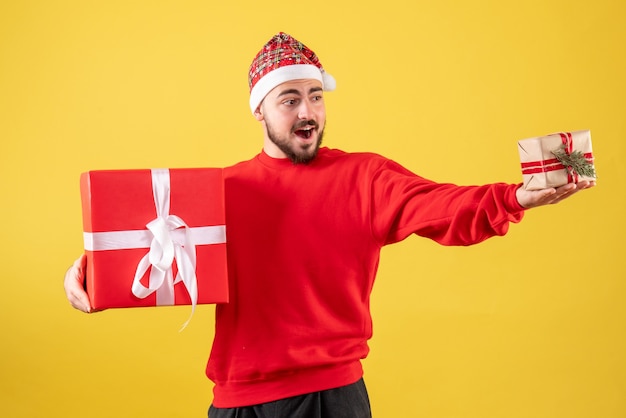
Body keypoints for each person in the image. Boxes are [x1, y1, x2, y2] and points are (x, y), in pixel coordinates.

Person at [64, 32, 594, 417]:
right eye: (289, 99)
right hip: (239, 399)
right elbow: (142, 244)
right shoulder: (219, 190)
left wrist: (515, 196)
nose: (307, 112)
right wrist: (86, 277)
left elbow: (442, 207)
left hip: (333, 398)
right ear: (260, 110)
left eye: (315, 96)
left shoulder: (364, 176)